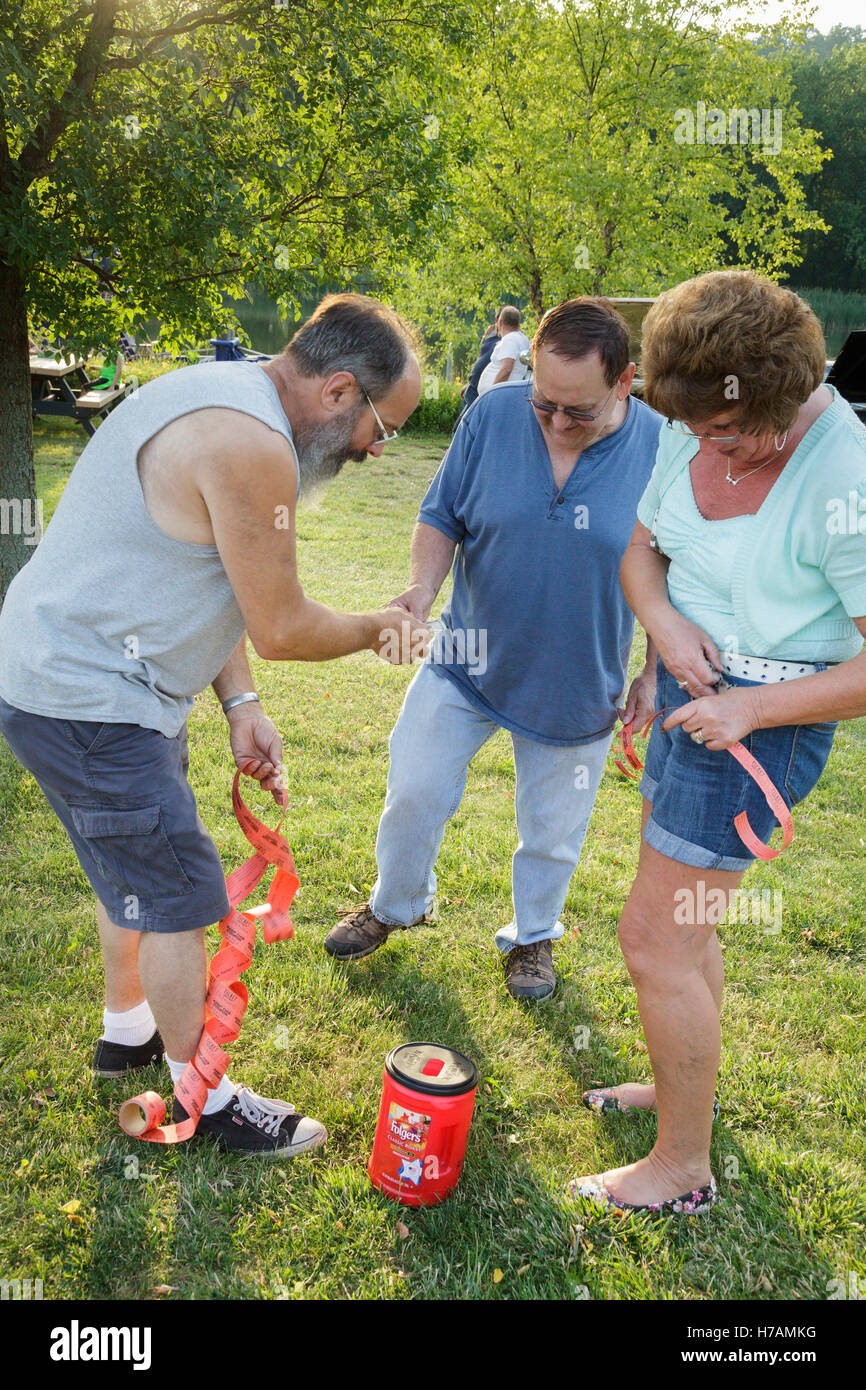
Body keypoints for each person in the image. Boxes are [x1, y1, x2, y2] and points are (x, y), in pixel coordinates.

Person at [0, 294, 429, 1160]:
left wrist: (240, 703)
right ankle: (207, 1099)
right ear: (341, 390)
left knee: (131, 867)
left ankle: (128, 1032)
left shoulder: (226, 388)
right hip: (89, 696)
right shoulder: (253, 446)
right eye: (382, 427)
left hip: (71, 679)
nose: (378, 451)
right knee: (176, 895)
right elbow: (282, 625)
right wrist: (379, 627)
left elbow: (217, 574)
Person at [571, 269, 866, 1216]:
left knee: (655, 941)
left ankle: (681, 1168)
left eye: (728, 432)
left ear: (781, 398)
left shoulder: (842, 475)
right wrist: (661, 628)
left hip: (759, 731)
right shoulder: (695, 422)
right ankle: (679, 1090)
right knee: (686, 936)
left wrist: (746, 709)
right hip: (689, 704)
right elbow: (640, 551)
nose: (708, 445)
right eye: (694, 429)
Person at [325, 297, 663, 1000]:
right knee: (413, 790)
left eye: (580, 410)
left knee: (552, 831)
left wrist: (656, 672)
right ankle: (395, 905)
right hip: (467, 656)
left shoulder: (665, 448)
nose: (559, 423)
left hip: (581, 678)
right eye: (546, 404)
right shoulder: (495, 414)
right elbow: (441, 514)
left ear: (625, 381)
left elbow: (679, 573)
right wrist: (420, 590)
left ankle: (533, 938)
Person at [476, 305, 531, 395]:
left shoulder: (510, 339)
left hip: (499, 395)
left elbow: (506, 369)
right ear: (517, 323)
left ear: (500, 322)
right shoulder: (524, 339)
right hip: (508, 392)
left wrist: (492, 394)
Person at [457, 312, 501, 422]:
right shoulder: (492, 338)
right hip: (472, 387)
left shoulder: (503, 342)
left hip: (479, 391)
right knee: (461, 428)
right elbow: (481, 361)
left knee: (466, 427)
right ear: (497, 319)